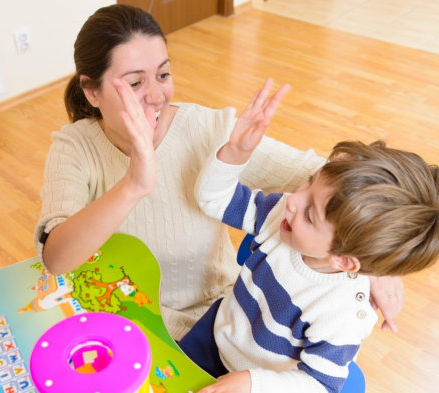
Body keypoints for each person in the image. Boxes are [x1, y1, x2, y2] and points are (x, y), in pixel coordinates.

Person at [34, 3, 403, 341]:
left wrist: (375, 261)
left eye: (163, 74)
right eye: (134, 83)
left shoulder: (209, 129)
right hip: (122, 324)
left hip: (220, 322)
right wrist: (133, 184)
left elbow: (330, 177)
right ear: (91, 91)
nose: (157, 95)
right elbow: (56, 259)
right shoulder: (74, 147)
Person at [178, 86, 439, 393]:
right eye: (308, 184)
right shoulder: (281, 216)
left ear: (344, 260)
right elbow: (214, 200)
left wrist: (252, 382)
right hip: (215, 338)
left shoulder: (343, 314)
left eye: (310, 213)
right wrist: (236, 152)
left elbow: (319, 383)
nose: (293, 200)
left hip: (267, 383)